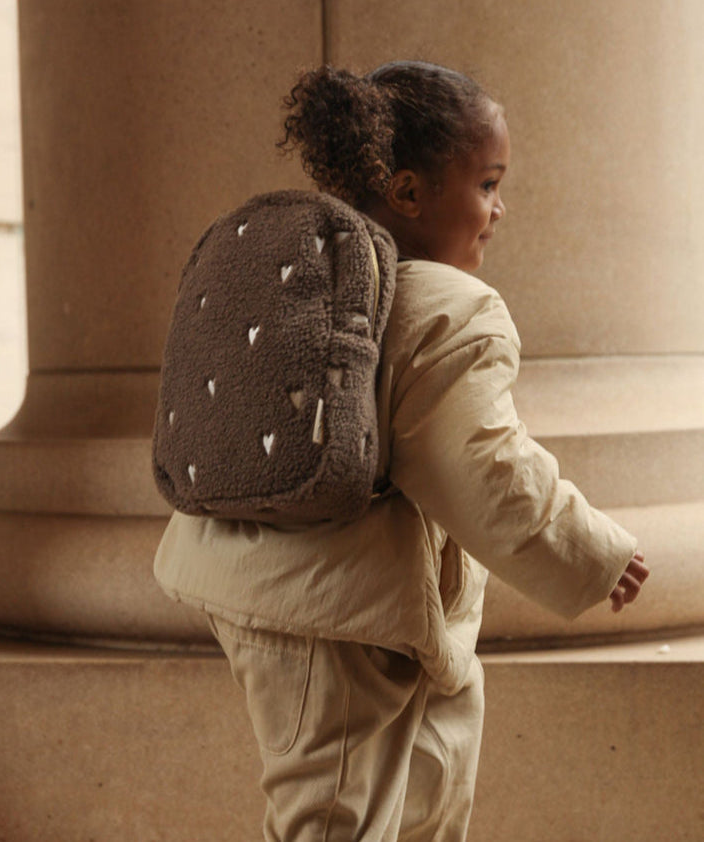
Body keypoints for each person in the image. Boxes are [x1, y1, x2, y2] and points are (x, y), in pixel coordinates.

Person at [154, 61, 649, 842]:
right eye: (487, 184)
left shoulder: (305, 281)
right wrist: (590, 551)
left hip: (289, 594)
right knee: (338, 819)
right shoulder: (448, 306)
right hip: (342, 616)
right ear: (411, 192)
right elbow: (484, 465)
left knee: (399, 788)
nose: (499, 209)